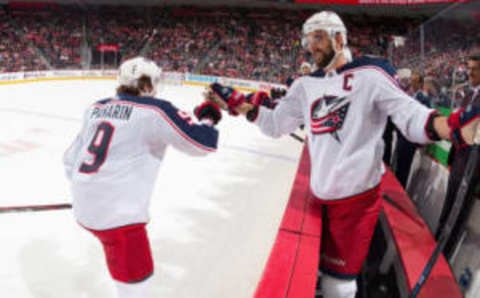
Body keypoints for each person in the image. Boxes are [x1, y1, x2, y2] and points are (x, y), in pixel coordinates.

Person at [205, 11, 479, 298]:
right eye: (309, 39)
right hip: (318, 197)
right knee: (319, 277)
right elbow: (276, 124)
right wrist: (239, 105)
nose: (312, 46)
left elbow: (411, 117)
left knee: (339, 285)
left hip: (356, 202)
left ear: (339, 37)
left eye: (319, 37)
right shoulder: (305, 85)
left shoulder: (371, 75)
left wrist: (450, 127)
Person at [63, 57, 222, 298]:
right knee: (137, 285)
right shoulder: (156, 110)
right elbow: (203, 144)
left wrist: (91, 193)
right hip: (120, 220)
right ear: (146, 85)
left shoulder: (96, 108)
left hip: (84, 209)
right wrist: (209, 115)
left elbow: (69, 162)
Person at [436, 53, 480, 258]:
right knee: (449, 205)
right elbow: (456, 124)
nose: (470, 73)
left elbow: (461, 123)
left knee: (457, 210)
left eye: (475, 69)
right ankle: (437, 243)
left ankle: (444, 253)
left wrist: (456, 125)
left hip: (472, 163)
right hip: (460, 158)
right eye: (468, 68)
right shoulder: (470, 93)